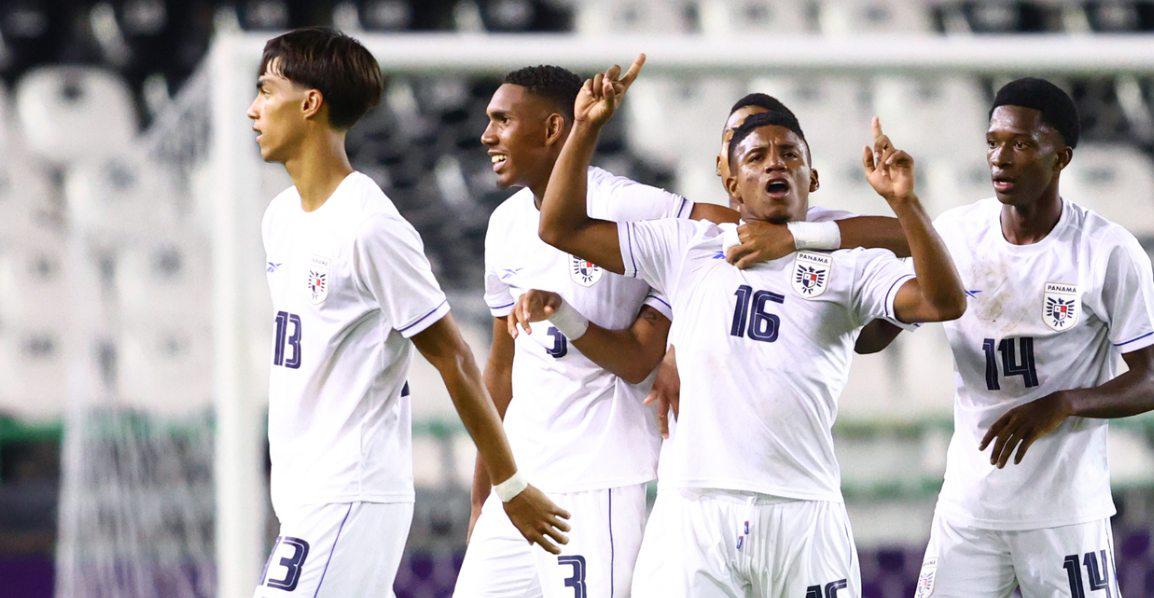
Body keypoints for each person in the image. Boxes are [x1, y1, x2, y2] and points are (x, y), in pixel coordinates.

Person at [537, 55, 966, 597]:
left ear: (813, 177)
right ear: (732, 184)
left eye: (789, 155)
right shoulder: (687, 245)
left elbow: (944, 302)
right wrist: (584, 127)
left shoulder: (849, 263)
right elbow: (560, 228)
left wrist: (904, 202)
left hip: (804, 511)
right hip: (695, 511)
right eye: (756, 157)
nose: (774, 164)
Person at [245, 28, 568, 596]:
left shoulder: (370, 227)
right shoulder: (281, 217)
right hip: (303, 495)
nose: (253, 109)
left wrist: (510, 486)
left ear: (310, 103)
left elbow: (455, 357)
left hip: (350, 493)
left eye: (267, 91)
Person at [906, 78, 1154, 598]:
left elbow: (1150, 377)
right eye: (993, 142)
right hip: (969, 510)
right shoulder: (955, 234)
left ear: (1061, 157)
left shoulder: (1107, 251)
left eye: (1020, 144)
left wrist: (1065, 402)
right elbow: (879, 330)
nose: (1000, 158)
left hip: (1065, 515)